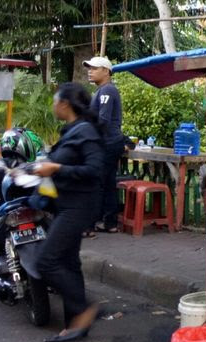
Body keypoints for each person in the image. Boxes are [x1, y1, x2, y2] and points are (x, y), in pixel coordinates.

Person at [31, 82, 105, 342]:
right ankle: (76, 325)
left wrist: (57, 169)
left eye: (55, 101)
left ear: (64, 104)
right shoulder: (73, 130)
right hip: (66, 204)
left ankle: (85, 309)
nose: (53, 106)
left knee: (46, 261)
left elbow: (95, 170)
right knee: (69, 263)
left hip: (79, 206)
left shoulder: (85, 131)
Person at [84, 56, 123, 235]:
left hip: (106, 144)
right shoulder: (103, 90)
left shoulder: (107, 91)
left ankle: (89, 226)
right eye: (89, 68)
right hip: (111, 143)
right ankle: (110, 223)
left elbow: (104, 120)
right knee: (107, 184)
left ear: (106, 71)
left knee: (94, 184)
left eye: (94, 68)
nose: (90, 71)